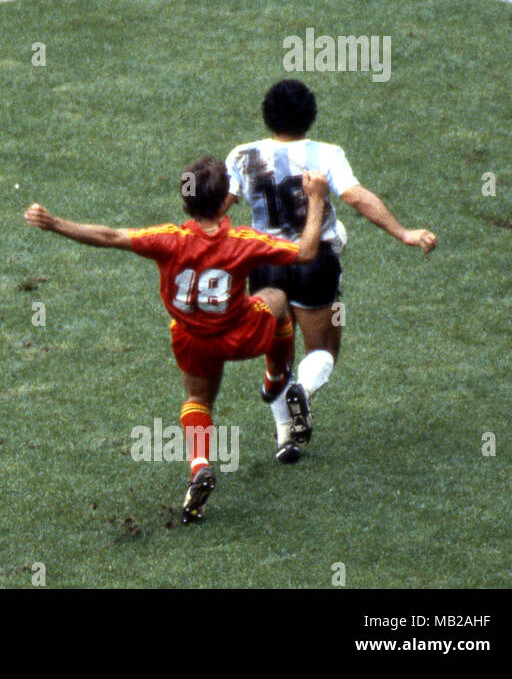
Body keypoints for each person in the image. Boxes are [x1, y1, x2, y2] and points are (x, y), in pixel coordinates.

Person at [24, 157, 328, 523]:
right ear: (225, 201)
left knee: (198, 399)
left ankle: (199, 465)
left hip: (192, 339)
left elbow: (109, 236)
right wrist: (316, 198)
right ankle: (276, 379)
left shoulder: (168, 240)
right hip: (241, 334)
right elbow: (307, 251)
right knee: (276, 299)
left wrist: (54, 223)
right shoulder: (243, 242)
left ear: (186, 203)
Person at [224, 79, 436, 458]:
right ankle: (301, 393)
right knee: (323, 349)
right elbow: (356, 197)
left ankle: (286, 436)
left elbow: (217, 206)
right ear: (310, 116)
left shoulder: (242, 155)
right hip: (315, 262)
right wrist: (403, 232)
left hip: (264, 266)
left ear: (266, 114)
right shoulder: (326, 154)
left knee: (278, 351)